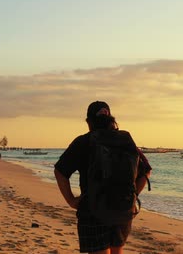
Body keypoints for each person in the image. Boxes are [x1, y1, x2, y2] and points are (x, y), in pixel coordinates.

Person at [54, 101, 152, 254]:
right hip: (122, 208)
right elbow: (146, 171)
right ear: (110, 118)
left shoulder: (83, 142)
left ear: (88, 121)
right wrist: (133, 195)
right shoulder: (125, 140)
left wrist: (71, 200)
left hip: (92, 209)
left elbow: (60, 171)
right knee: (116, 251)